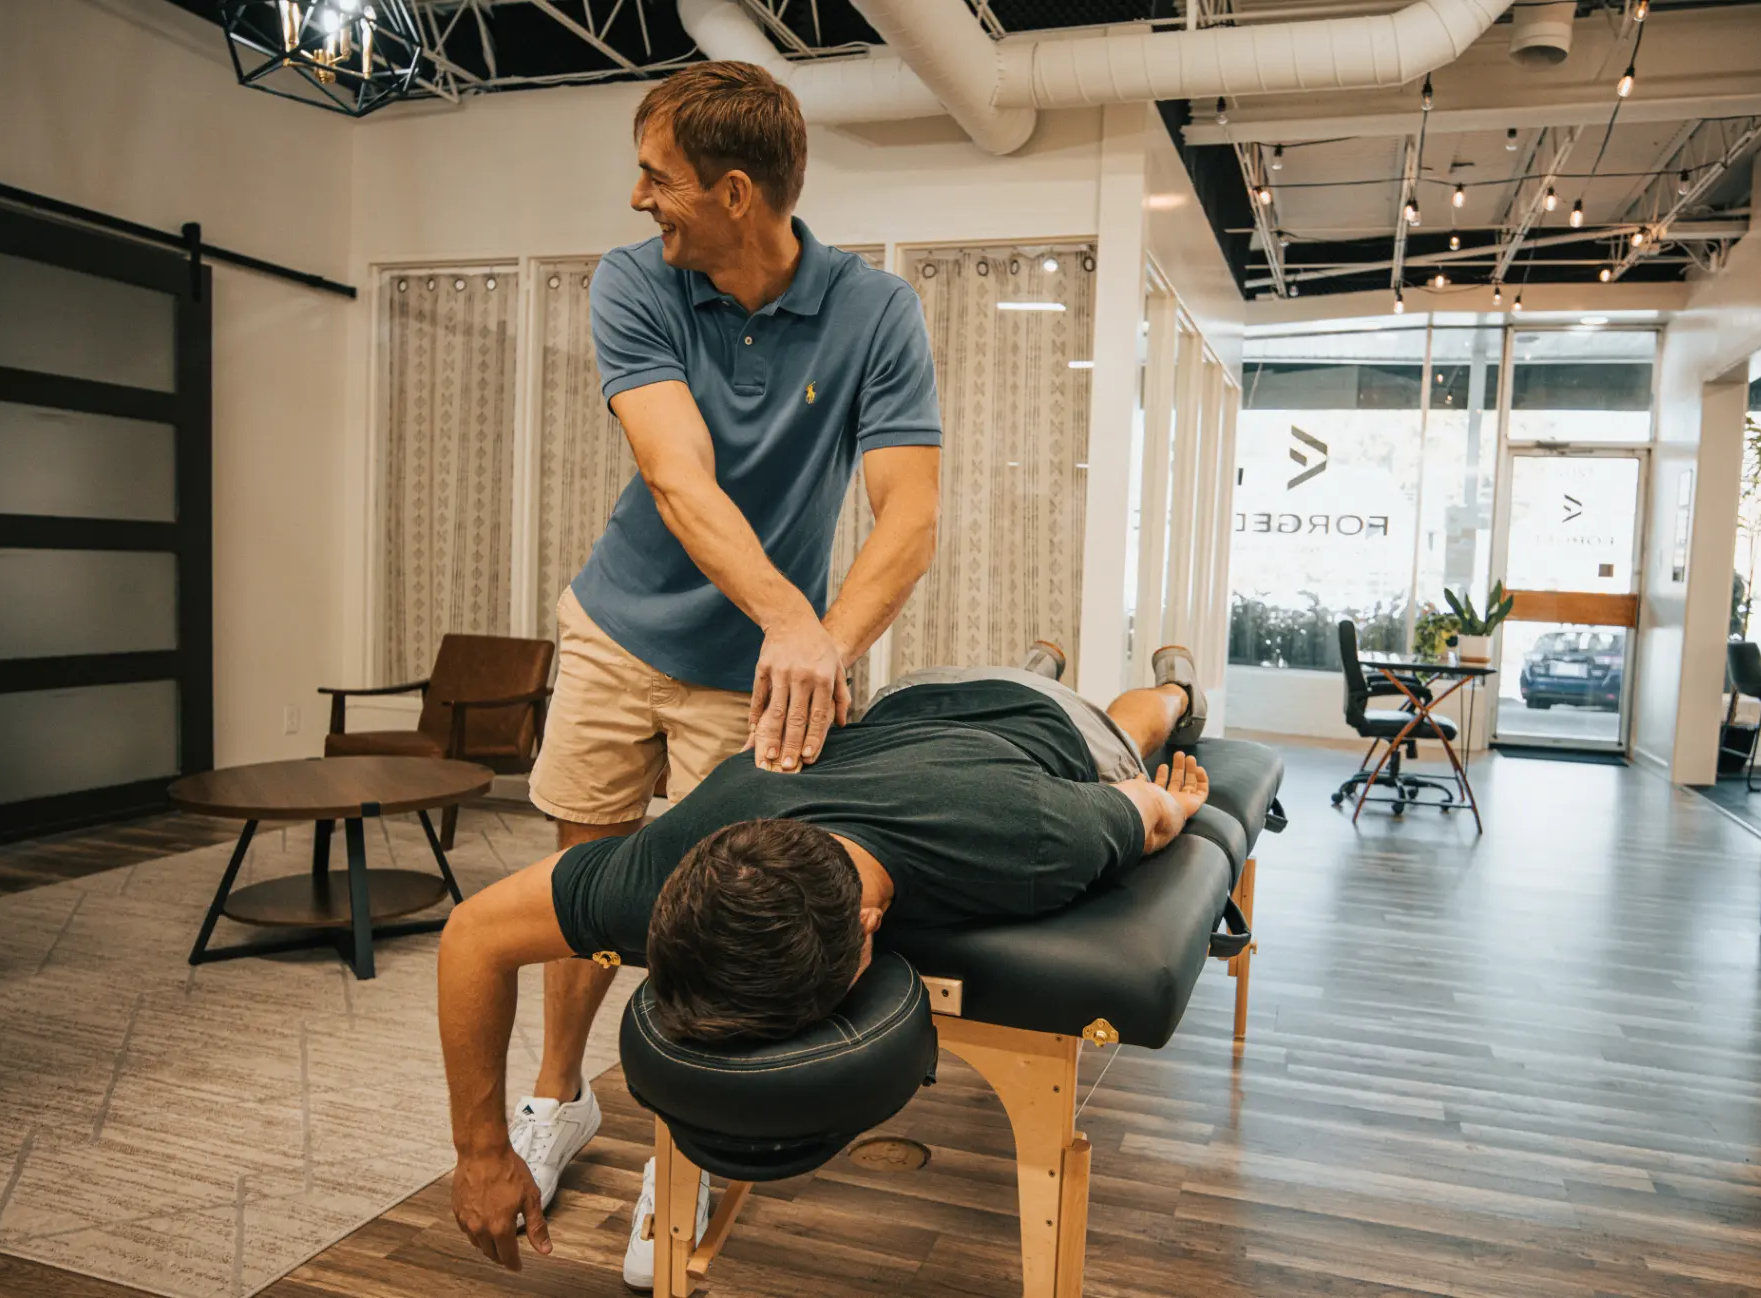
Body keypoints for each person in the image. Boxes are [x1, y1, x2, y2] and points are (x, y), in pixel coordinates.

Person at [510, 57, 943, 1219]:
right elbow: (676, 473)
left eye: (657, 177)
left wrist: (821, 644)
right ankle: (556, 1095)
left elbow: (908, 515)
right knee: (583, 883)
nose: (637, 197)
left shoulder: (874, 311)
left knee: (723, 911)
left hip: (749, 677)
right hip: (618, 629)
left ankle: (685, 1149)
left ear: (735, 192)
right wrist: (794, 619)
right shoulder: (636, 280)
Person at [439, 647, 1214, 1285]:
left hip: (1041, 723)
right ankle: (1036, 655)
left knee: (1126, 731)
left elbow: (1149, 815)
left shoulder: (1033, 836)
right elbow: (472, 935)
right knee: (1020, 693)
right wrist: (478, 1152)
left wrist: (1179, 804)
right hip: (910, 699)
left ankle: (1175, 682)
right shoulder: (660, 866)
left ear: (867, 933)